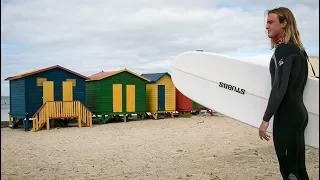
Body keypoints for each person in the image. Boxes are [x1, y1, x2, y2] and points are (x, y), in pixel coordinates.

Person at [258, 7, 311, 180]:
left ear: (284, 23)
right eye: (267, 22)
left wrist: (266, 119)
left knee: (289, 171)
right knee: (299, 170)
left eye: (271, 22)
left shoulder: (284, 51)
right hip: (299, 114)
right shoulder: (299, 51)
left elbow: (279, 89)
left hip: (287, 116)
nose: (267, 26)